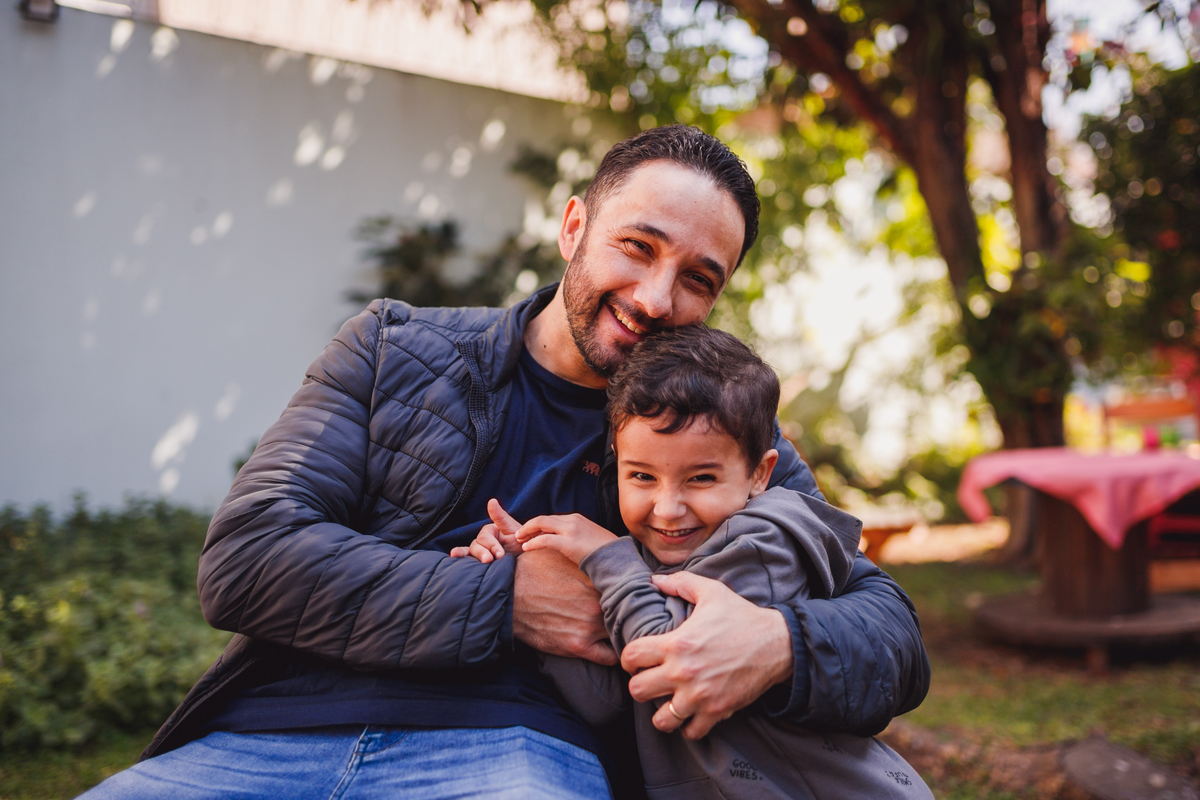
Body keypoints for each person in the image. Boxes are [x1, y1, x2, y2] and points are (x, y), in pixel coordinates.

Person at [79, 125, 929, 800]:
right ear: (574, 228)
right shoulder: (392, 350)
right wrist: (507, 598)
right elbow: (246, 557)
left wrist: (782, 645)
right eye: (638, 246)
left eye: (698, 279)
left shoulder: (710, 429)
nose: (656, 297)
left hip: (519, 751)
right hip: (276, 727)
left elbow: (890, 633)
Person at [455, 325, 933, 799]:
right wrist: (521, 570)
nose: (667, 509)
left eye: (701, 478)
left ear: (759, 473)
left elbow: (674, 667)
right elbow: (610, 698)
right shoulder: (648, 557)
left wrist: (607, 558)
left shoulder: (765, 543)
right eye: (642, 476)